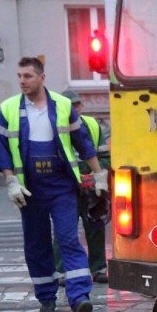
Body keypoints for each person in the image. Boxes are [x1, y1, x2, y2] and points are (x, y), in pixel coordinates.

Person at [0, 57, 107, 312]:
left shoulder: (63, 105)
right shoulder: (9, 108)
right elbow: (2, 151)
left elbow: (83, 143)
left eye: (28, 76)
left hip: (61, 185)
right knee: (37, 244)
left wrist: (98, 174)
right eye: (19, 76)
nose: (22, 81)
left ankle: (79, 297)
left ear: (41, 78)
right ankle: (46, 297)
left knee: (68, 239)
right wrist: (11, 181)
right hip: (29, 187)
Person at [53, 89, 110, 286]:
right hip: (66, 187)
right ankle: (60, 270)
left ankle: (98, 268)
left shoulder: (92, 125)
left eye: (76, 105)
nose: (75, 109)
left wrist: (98, 176)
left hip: (90, 187)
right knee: (64, 229)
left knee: (95, 226)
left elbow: (103, 155)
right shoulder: (54, 127)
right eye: (71, 106)